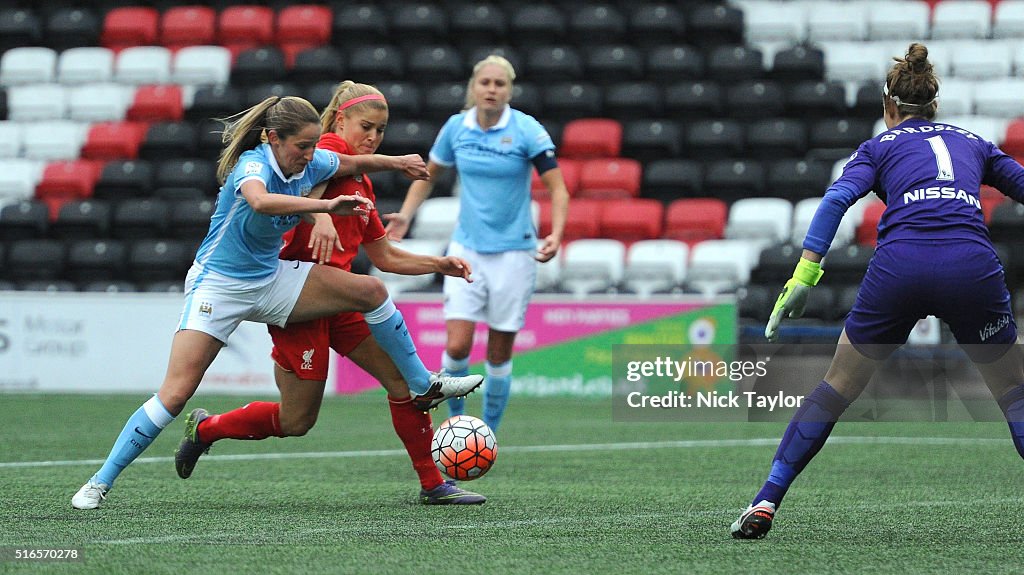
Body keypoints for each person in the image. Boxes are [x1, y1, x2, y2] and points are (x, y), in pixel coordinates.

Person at [72, 95, 484, 510]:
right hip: (219, 286)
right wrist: (323, 207)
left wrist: (399, 163)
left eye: (313, 147)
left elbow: (353, 168)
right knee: (176, 393)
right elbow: (260, 201)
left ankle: (423, 389)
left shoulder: (317, 162)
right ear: (273, 138)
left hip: (272, 281)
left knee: (371, 292)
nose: (310, 156)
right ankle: (99, 481)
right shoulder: (253, 165)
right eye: (302, 147)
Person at [730, 43, 1024, 539]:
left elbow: (837, 199)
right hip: (970, 267)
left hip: (901, 268)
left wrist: (804, 275)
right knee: (1014, 394)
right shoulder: (973, 141)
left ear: (889, 109)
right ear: (934, 105)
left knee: (836, 387)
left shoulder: (879, 147)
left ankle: (766, 500)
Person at [385, 55, 570, 435]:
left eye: (499, 84)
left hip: (515, 254)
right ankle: (456, 430)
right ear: (473, 87)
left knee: (499, 353)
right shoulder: (456, 128)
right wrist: (405, 214)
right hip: (466, 249)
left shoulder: (526, 130)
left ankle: (490, 434)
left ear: (509, 90)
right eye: (484, 82)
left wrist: (556, 232)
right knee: (457, 346)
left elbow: (558, 188)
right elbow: (428, 175)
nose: (491, 89)